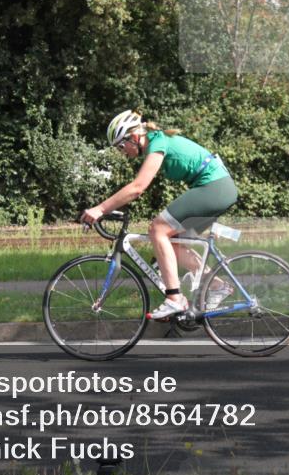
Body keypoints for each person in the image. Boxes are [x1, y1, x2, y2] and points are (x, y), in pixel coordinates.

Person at [81, 110, 238, 319]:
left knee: (158, 229)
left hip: (214, 187)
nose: (122, 152)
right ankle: (217, 286)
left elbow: (138, 187)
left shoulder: (157, 143)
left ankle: (174, 299)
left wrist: (100, 209)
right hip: (216, 187)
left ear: (134, 137)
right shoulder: (156, 142)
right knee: (171, 241)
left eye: (121, 145)